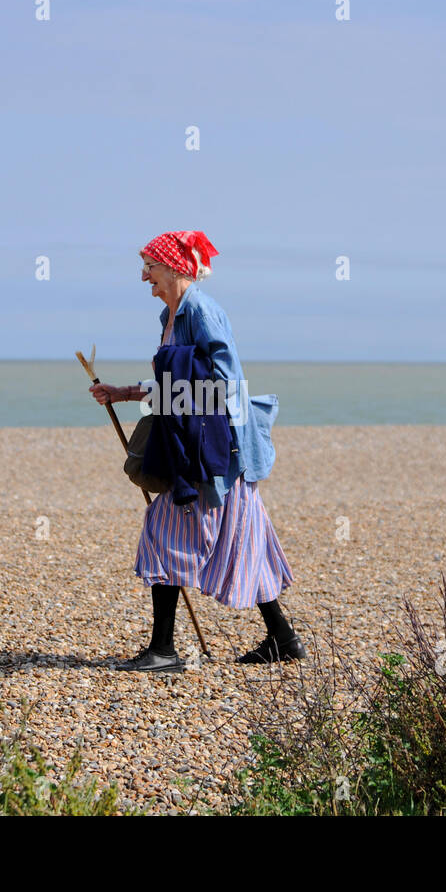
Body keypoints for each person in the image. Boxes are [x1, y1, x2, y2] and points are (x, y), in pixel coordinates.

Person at [88, 231, 303, 673]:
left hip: (213, 453)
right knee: (244, 541)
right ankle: (282, 638)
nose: (143, 274)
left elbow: (225, 381)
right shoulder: (168, 315)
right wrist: (123, 392)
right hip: (201, 445)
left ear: (174, 267)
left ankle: (164, 651)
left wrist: (180, 407)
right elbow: (176, 383)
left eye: (149, 264)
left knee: (163, 531)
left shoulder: (201, 310)